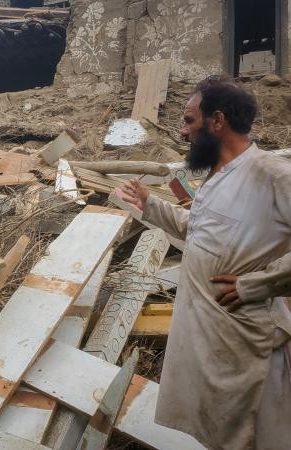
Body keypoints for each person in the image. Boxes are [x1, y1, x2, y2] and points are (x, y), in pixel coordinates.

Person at [116, 76, 291, 449]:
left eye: (189, 120)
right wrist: (150, 205)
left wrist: (255, 285)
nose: (183, 131)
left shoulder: (272, 174)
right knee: (220, 432)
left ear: (217, 120)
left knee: (260, 434)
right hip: (213, 341)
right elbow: (200, 231)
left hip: (249, 343)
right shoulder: (217, 176)